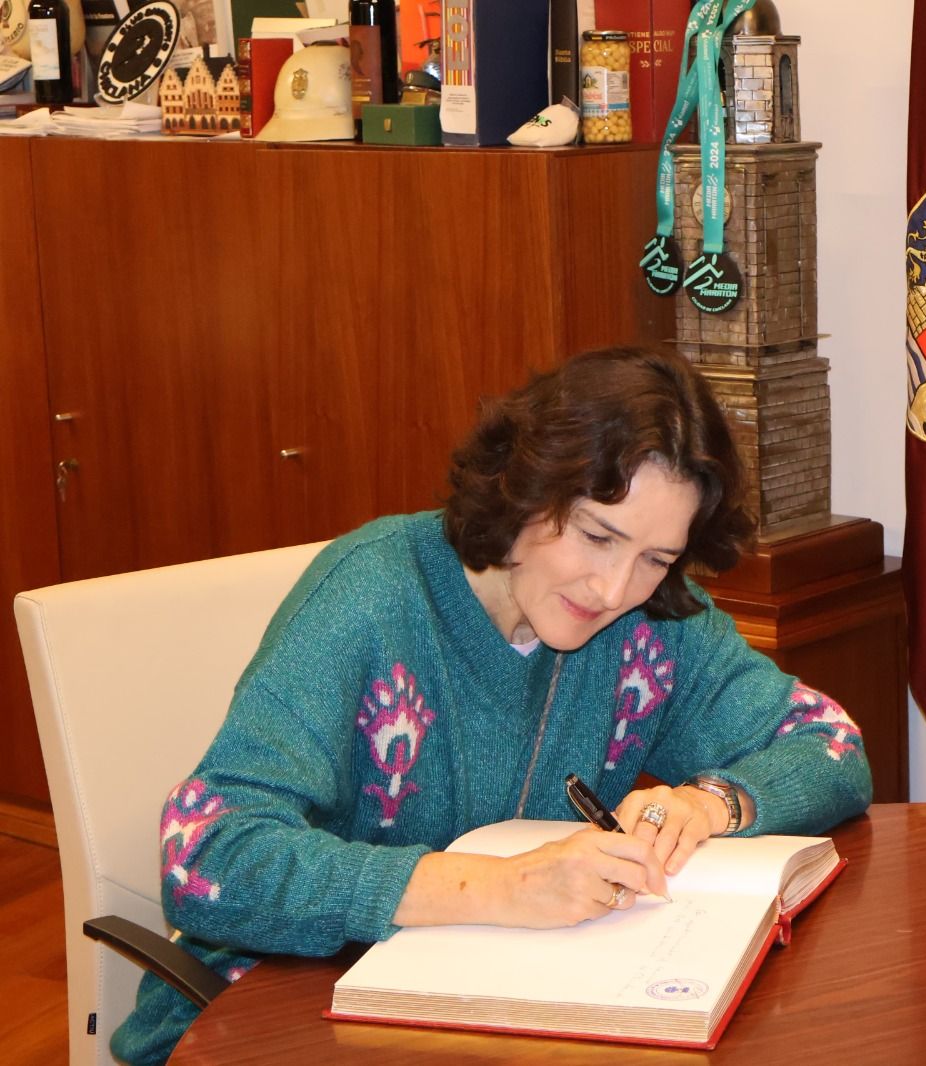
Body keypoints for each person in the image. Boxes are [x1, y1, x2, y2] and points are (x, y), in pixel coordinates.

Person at [112, 347, 872, 1064]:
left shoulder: (651, 626)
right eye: (596, 536)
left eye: (655, 558)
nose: (613, 590)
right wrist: (500, 887)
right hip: (277, 1014)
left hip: (489, 1018)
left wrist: (714, 804)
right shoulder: (370, 598)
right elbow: (206, 855)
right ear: (526, 485)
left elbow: (831, 744)